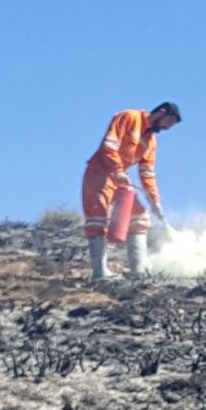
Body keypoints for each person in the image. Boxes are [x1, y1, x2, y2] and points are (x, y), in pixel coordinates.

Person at [81, 102, 181, 280]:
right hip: (99, 174)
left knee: (140, 216)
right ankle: (100, 272)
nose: (167, 128)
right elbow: (109, 146)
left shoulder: (151, 141)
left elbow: (147, 173)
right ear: (161, 113)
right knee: (98, 219)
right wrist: (118, 170)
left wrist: (154, 202)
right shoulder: (129, 117)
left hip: (120, 179)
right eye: (168, 123)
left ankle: (138, 270)